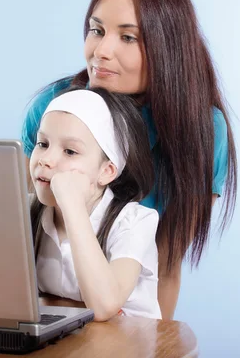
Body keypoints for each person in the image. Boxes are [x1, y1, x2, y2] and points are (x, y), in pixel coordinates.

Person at [22, 0, 238, 319]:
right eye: (96, 30)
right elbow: (20, 226)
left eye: (128, 37)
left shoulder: (202, 132)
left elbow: (166, 268)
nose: (101, 51)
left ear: (167, 47)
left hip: (124, 320)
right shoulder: (54, 108)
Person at [29, 87, 161, 321]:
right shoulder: (27, 213)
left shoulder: (134, 222)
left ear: (106, 171)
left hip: (128, 344)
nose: (46, 160)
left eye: (70, 151)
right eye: (42, 144)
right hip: (70, 340)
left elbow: (104, 305)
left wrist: (72, 206)